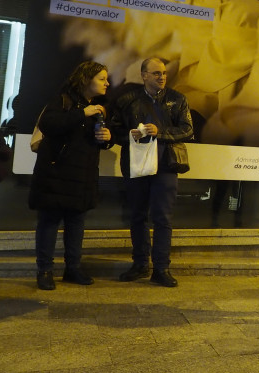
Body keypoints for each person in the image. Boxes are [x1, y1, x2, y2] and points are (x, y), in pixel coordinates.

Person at [108, 56, 193, 287]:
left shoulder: (177, 99)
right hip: (136, 164)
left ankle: (161, 268)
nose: (162, 77)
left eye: (164, 73)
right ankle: (140, 264)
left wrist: (161, 131)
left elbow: (187, 130)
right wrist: (129, 135)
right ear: (144, 75)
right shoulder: (127, 99)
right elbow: (112, 130)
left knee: (163, 218)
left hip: (165, 165)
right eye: (156, 73)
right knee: (137, 215)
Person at [28, 61, 112, 290]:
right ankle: (44, 270)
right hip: (55, 174)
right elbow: (49, 124)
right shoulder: (63, 100)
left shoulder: (95, 108)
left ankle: (72, 268)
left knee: (76, 223)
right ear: (86, 79)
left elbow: (89, 140)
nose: (107, 83)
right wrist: (81, 113)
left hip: (81, 177)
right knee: (49, 223)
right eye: (102, 78)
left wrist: (106, 139)